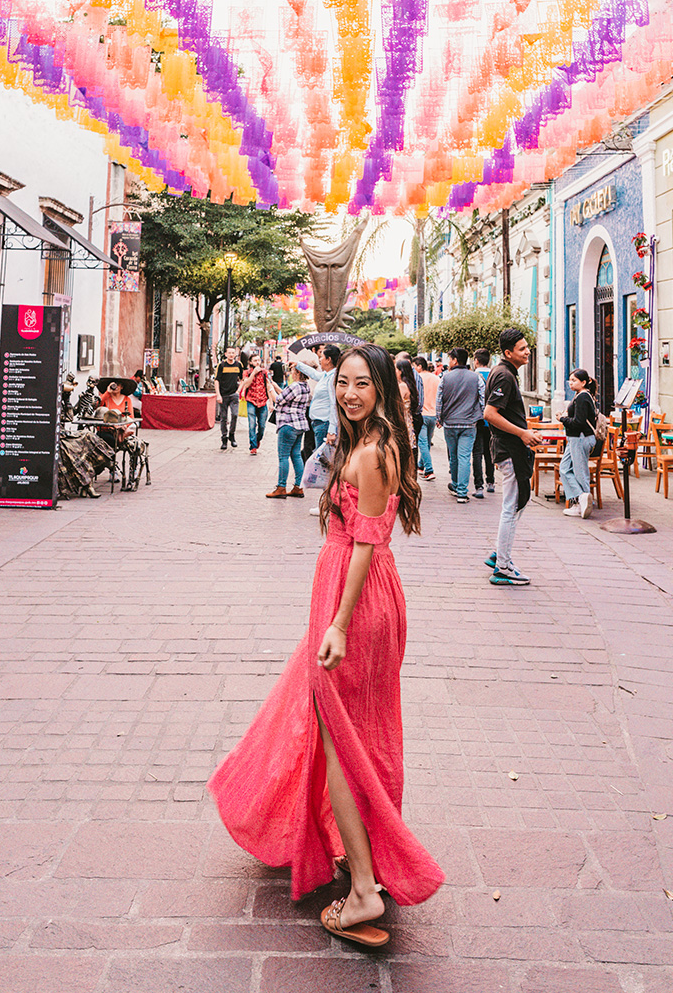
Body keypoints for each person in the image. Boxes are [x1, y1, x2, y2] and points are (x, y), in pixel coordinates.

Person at [208, 344, 443, 945]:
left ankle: (364, 887)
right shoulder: (378, 442)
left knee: (339, 737)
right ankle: (364, 858)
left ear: (383, 387)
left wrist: (338, 623)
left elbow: (364, 545)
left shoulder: (371, 452)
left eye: (363, 384)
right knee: (354, 728)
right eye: (343, 382)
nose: (350, 393)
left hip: (355, 600)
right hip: (359, 595)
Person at [483, 329, 539, 586]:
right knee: (512, 507)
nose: (527, 351)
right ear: (508, 353)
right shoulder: (504, 375)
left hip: (510, 448)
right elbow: (490, 414)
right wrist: (523, 434)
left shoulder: (504, 372)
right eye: (522, 348)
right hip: (511, 449)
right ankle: (503, 567)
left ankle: (500, 553)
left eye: (527, 347)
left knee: (518, 504)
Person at [436, 346, 484, 504]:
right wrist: (480, 416)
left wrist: (439, 418)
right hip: (469, 423)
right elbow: (482, 399)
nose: (448, 362)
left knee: (454, 456)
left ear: (455, 360)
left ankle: (456, 485)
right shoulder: (475, 377)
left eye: (450, 358)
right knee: (464, 457)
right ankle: (462, 493)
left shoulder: (445, 377)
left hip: (450, 423)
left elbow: (439, 399)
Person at [265, 363, 311, 498]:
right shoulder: (305, 387)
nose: (290, 373)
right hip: (299, 425)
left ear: (297, 372)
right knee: (296, 455)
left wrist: (270, 389)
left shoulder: (295, 386)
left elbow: (278, 399)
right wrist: (275, 386)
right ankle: (298, 486)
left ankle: (281, 487)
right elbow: (286, 396)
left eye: (292, 371)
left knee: (283, 456)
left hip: (288, 424)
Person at [557, 369, 598, 519]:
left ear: (584, 382)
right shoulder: (580, 396)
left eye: (574, 380)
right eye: (570, 380)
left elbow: (579, 422)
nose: (570, 383)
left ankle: (581, 505)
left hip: (580, 437)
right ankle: (580, 497)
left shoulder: (583, 397)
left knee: (580, 473)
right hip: (574, 438)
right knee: (564, 468)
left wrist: (562, 419)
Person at [294, 344, 341, 455]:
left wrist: (331, 430)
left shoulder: (332, 378)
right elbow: (315, 374)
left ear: (328, 359)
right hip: (319, 424)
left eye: (322, 357)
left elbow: (334, 404)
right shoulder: (326, 375)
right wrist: (298, 365)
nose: (319, 359)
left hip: (324, 425)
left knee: (323, 459)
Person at [471, 348, 495, 499]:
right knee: (490, 452)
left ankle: (479, 486)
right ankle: (491, 482)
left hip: (478, 420)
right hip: (493, 420)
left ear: (476, 361)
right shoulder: (495, 375)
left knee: (477, 453)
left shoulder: (473, 377)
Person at [239, 353, 270, 456]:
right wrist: (253, 373)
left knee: (262, 426)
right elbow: (246, 384)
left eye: (258, 360)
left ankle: (257, 439)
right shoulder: (246, 373)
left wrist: (272, 403)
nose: (257, 362)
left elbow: (269, 385)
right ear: (251, 362)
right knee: (252, 424)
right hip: (251, 400)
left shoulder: (264, 372)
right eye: (255, 361)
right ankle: (253, 447)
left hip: (263, 401)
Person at [414, 356, 438, 480]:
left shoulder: (417, 378)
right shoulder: (436, 378)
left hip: (422, 414)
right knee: (426, 443)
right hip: (433, 415)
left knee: (422, 443)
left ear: (419, 366)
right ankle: (421, 466)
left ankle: (429, 470)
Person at [215, 346, 243, 450]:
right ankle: (224, 439)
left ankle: (232, 434)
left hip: (233, 395)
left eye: (233, 353)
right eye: (229, 353)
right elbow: (217, 380)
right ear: (225, 354)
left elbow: (242, 379)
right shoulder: (221, 365)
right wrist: (218, 394)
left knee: (235, 415)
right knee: (223, 418)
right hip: (223, 395)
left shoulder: (238, 365)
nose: (231, 354)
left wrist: (238, 391)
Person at [394, 355, 423, 453]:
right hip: (408, 420)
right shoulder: (410, 384)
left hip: (402, 422)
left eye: (396, 369)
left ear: (401, 371)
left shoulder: (402, 386)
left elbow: (396, 405)